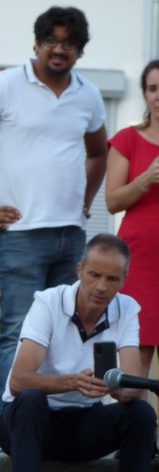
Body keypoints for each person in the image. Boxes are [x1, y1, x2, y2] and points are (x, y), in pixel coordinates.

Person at [0, 6, 108, 414]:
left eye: (69, 42)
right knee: (18, 333)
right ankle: (12, 431)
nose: (59, 49)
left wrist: (86, 201)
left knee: (65, 333)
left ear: (80, 50)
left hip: (71, 236)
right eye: (51, 40)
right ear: (36, 43)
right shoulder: (5, 85)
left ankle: (56, 425)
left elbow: (98, 153)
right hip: (21, 237)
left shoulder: (88, 94)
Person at [0, 234, 158, 472]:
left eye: (112, 279)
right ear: (80, 269)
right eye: (94, 275)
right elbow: (18, 381)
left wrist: (113, 387)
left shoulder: (127, 308)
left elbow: (134, 386)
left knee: (141, 414)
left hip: (83, 425)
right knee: (31, 399)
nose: (102, 286)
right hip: (30, 426)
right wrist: (73, 382)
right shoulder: (49, 301)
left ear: (124, 279)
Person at [105, 60, 159, 378]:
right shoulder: (128, 139)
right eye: (153, 88)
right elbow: (112, 202)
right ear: (144, 94)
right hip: (140, 262)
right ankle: (135, 413)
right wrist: (146, 179)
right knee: (136, 361)